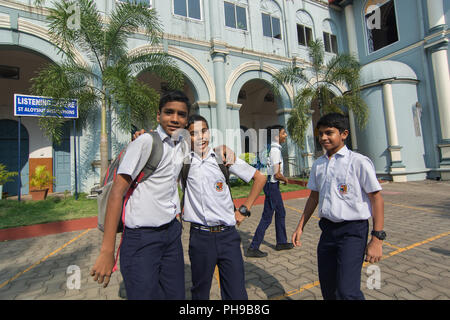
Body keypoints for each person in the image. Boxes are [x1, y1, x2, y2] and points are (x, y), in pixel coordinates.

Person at [90, 90, 191, 300]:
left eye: (181, 114)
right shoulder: (145, 142)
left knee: (176, 295)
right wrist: (107, 251)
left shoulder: (181, 145)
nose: (174, 118)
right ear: (158, 115)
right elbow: (117, 194)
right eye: (169, 112)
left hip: (171, 234)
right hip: (142, 239)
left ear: (186, 119)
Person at [291, 112, 385, 300]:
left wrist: (377, 239)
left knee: (347, 291)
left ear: (344, 134)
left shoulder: (358, 162)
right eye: (320, 134)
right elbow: (313, 197)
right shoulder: (318, 164)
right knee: (329, 288)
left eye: (329, 133)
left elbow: (376, 199)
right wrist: (300, 226)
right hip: (327, 232)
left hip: (352, 232)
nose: (323, 137)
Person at [181, 115, 266, 300]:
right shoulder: (183, 162)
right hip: (200, 237)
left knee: (236, 294)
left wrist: (244, 209)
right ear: (188, 138)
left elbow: (260, 178)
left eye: (203, 131)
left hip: (228, 237)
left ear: (209, 132)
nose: (200, 137)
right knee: (200, 293)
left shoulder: (223, 157)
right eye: (193, 134)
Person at [246, 125, 294, 258]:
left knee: (281, 212)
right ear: (276, 136)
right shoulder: (275, 150)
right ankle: (253, 247)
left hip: (270, 184)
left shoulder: (268, 148)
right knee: (267, 217)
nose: (286, 135)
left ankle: (281, 242)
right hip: (272, 185)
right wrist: (285, 179)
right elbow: (276, 173)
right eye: (284, 133)